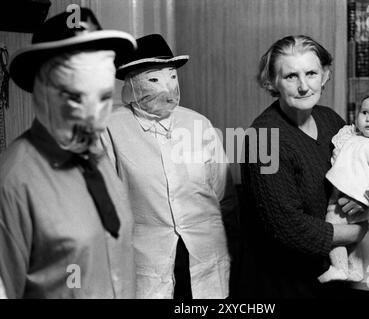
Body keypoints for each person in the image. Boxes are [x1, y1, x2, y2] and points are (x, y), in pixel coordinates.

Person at [0, 8, 137, 298]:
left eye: (102, 96)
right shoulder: (12, 182)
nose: (93, 115)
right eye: (75, 97)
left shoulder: (99, 160)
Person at [101, 34, 239, 299]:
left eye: (172, 76)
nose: (168, 87)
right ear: (131, 84)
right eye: (154, 79)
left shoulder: (199, 125)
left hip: (204, 261)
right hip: (146, 266)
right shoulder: (110, 128)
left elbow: (225, 199)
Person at [237, 35, 368, 298]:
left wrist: (363, 200)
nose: (304, 86)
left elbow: (361, 169)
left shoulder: (330, 120)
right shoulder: (264, 138)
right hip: (281, 286)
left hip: (327, 274)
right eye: (290, 76)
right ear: (272, 81)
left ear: (325, 75)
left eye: (311, 73)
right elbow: (289, 229)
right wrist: (355, 231)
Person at [318, 87, 369, 283]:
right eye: (364, 112)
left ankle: (338, 268)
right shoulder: (363, 138)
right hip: (349, 196)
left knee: (332, 229)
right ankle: (354, 269)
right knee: (351, 239)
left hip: (352, 199)